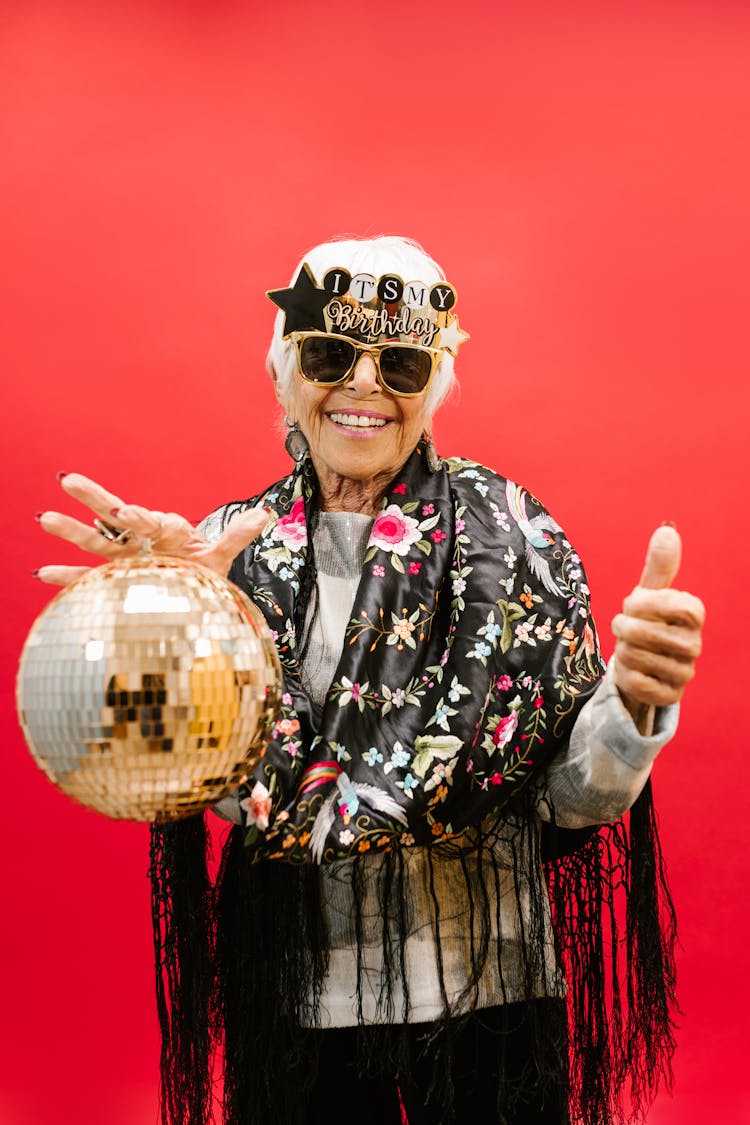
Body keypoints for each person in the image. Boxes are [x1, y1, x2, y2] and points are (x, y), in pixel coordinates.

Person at [37, 235, 704, 1125]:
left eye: (398, 360)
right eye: (328, 355)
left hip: (491, 991)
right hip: (301, 1002)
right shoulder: (226, 554)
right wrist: (165, 625)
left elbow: (572, 801)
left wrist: (634, 701)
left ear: (432, 383)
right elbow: (220, 792)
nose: (362, 385)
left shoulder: (517, 543)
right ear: (283, 373)